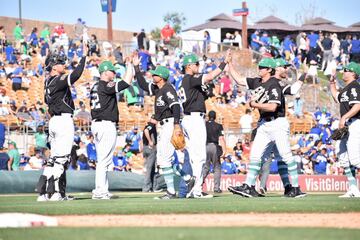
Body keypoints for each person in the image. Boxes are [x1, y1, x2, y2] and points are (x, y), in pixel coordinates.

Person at [228, 58, 305, 197]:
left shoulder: (274, 84)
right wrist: (229, 64)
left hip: (277, 123)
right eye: (259, 66)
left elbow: (273, 106)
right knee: (255, 156)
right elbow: (239, 80)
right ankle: (248, 186)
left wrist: (254, 104)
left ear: (269, 70)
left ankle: (295, 188)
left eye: (262, 67)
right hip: (263, 124)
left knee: (286, 156)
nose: (259, 69)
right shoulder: (257, 81)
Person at [133, 55, 194, 199]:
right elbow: (142, 84)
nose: (153, 75)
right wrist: (136, 67)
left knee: (164, 160)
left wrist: (176, 126)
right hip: (165, 125)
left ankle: (171, 192)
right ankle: (187, 179)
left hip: (171, 124)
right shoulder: (157, 89)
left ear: (161, 77)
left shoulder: (167, 89)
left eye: (155, 74)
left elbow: (176, 107)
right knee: (169, 160)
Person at [35, 47, 87, 202]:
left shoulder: (47, 82)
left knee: (53, 159)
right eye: (60, 63)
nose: (64, 65)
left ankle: (43, 193)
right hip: (63, 120)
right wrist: (84, 56)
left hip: (54, 121)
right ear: (53, 66)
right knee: (61, 159)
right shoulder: (58, 80)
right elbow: (76, 74)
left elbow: (48, 104)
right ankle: (56, 193)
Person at [179, 50, 231, 198]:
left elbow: (207, 93)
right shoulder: (189, 78)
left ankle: (192, 189)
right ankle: (196, 190)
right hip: (194, 119)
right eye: (196, 64)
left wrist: (208, 89)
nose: (198, 66)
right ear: (188, 66)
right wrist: (223, 63)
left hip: (189, 118)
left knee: (195, 157)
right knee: (200, 157)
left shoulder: (187, 81)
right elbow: (209, 76)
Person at [90, 60, 133, 200]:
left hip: (97, 123)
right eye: (112, 71)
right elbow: (126, 82)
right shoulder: (105, 84)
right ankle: (99, 191)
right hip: (105, 124)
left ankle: (102, 189)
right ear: (105, 72)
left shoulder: (95, 86)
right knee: (104, 160)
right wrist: (130, 65)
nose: (114, 73)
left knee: (104, 160)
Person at [329, 62, 360, 197]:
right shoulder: (346, 89)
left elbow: (358, 106)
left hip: (355, 123)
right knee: (343, 157)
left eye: (346, 70)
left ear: (353, 73)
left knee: (355, 159)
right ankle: (353, 189)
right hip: (347, 125)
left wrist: (344, 118)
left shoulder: (354, 87)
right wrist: (332, 83)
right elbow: (336, 96)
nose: (343, 72)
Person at [202, 110, 226, 193]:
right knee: (217, 167)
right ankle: (216, 188)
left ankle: (198, 185)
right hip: (214, 146)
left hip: (205, 146)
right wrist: (224, 149)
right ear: (215, 117)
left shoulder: (204, 125)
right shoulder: (219, 125)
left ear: (208, 116)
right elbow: (221, 138)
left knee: (205, 167)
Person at [142, 115, 158, 192]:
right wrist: (150, 141)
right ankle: (146, 188)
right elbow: (146, 131)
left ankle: (153, 187)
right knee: (149, 168)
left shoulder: (150, 125)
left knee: (152, 168)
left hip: (146, 147)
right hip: (150, 148)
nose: (156, 121)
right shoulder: (151, 125)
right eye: (155, 119)